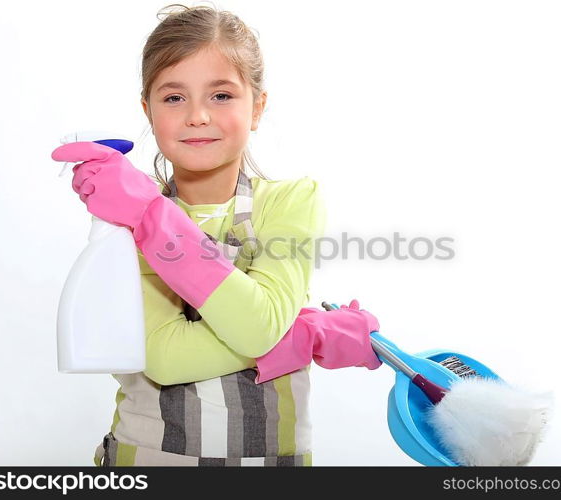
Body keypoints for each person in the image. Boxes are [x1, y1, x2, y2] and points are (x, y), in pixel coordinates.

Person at [51, 3, 381, 467]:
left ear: (258, 106)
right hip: (150, 459)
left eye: (222, 95)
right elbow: (165, 358)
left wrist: (152, 219)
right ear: (148, 111)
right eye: (173, 98)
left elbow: (258, 323)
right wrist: (305, 334)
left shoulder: (290, 202)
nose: (198, 115)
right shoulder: (125, 218)